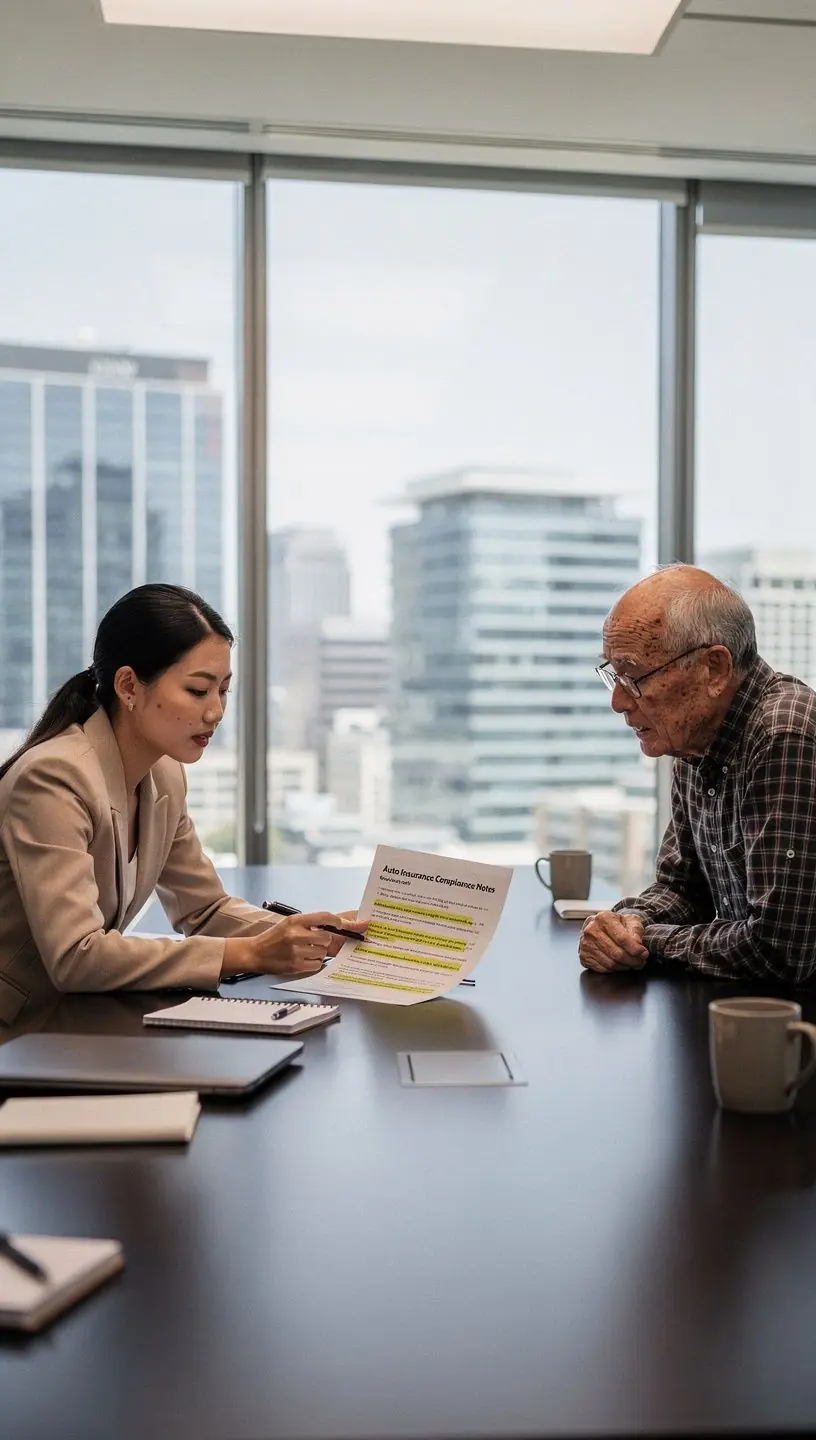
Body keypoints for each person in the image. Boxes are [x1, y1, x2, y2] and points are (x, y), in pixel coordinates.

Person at [0, 584, 366, 1025]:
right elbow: (77, 956)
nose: (216, 712)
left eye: (223, 690)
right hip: (18, 1035)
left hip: (74, 1025)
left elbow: (204, 910)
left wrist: (316, 934)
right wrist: (251, 952)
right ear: (128, 686)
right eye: (197, 690)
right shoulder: (53, 778)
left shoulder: (164, 774)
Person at [579, 564, 816, 984]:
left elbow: (778, 950)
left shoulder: (784, 735)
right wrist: (628, 924)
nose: (618, 702)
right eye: (613, 675)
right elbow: (682, 890)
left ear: (714, 669)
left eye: (632, 676)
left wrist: (647, 941)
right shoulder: (694, 738)